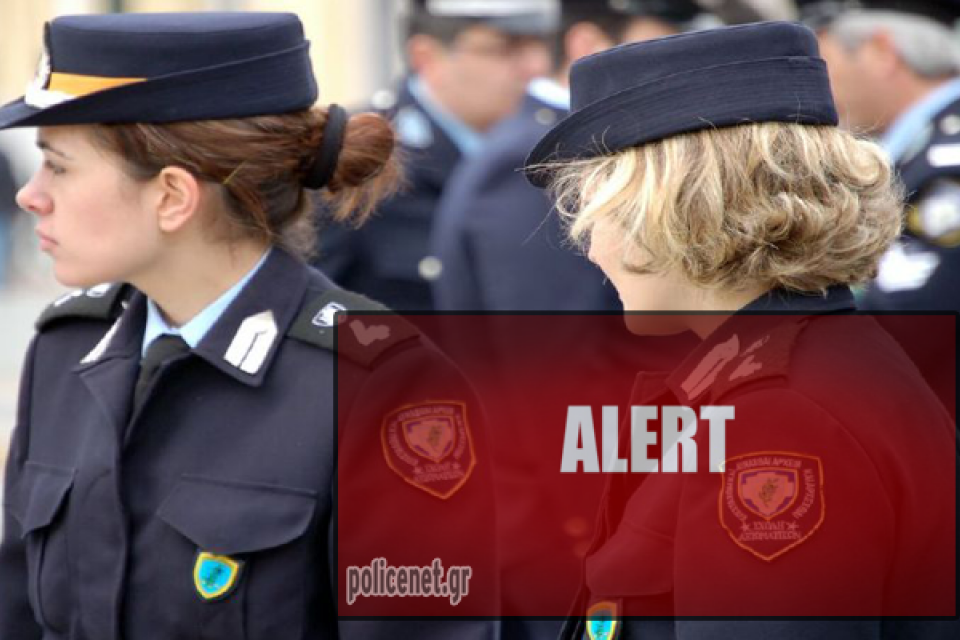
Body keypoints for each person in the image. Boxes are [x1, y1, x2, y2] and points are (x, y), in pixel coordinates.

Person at [0, 12, 498, 639]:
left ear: (172, 196)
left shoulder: (390, 390)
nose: (30, 195)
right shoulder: (67, 350)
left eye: (59, 166)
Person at [523, 20, 957, 637]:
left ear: (679, 211)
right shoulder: (822, 364)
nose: (592, 248)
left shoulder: (777, 415)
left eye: (606, 212)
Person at [430, 0, 719, 313]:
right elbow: (560, 334)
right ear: (588, 45)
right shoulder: (537, 158)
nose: (679, 71)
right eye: (659, 49)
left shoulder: (576, 143)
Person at [313, 0, 557, 311]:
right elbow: (315, 309)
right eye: (505, 48)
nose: (536, 66)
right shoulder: (361, 157)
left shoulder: (549, 148)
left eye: (538, 45)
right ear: (427, 57)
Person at [811, 0, 960, 311]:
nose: (817, 87)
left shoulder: (945, 165)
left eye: (822, 63)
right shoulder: (928, 148)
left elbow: (910, 317)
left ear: (882, 52)